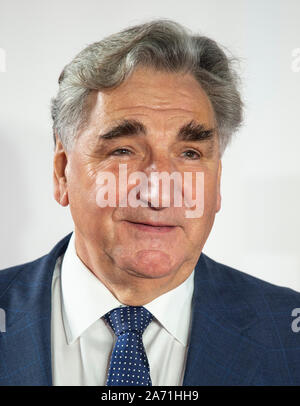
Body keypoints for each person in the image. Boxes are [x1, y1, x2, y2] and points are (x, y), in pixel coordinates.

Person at [0, 19, 299, 386]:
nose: (158, 190)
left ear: (216, 182)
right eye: (123, 151)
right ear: (62, 172)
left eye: (190, 153)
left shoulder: (289, 334)